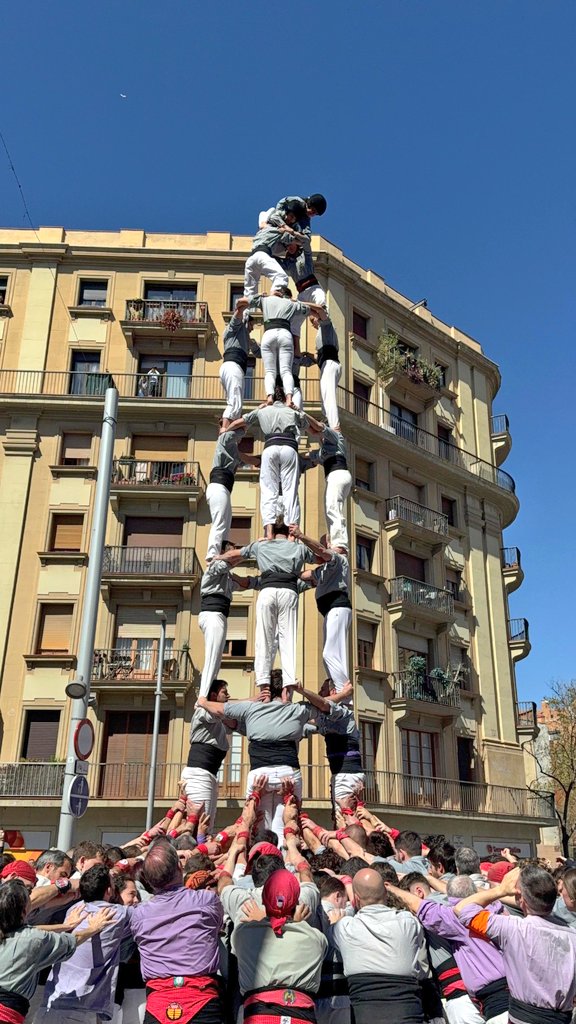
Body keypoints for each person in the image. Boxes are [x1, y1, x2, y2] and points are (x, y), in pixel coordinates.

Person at [198, 669, 336, 843]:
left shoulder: (250, 708)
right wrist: (303, 690)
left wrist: (202, 701)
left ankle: (258, 861)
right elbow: (326, 705)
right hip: (289, 774)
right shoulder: (298, 709)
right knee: (286, 829)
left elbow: (219, 710)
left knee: (258, 828)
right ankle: (286, 863)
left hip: (259, 775)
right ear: (287, 690)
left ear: (267, 690)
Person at [455, 865, 576, 1024]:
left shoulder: (512, 929)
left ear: (522, 900)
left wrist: (500, 891)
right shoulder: (572, 935)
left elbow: (462, 908)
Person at [218, 524, 329, 693]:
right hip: (289, 591)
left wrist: (215, 559)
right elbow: (322, 559)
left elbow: (234, 554)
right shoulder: (298, 548)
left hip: (267, 591)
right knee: (288, 638)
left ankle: (263, 684)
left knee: (263, 637)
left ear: (272, 532)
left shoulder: (260, 545)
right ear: (287, 533)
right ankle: (289, 681)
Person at [387, 874, 510, 1024]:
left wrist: (388, 887)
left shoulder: (463, 920)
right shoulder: (501, 911)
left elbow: (422, 908)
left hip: (490, 1004)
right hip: (517, 1001)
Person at [129, 840, 223, 1024]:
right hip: (202, 1003)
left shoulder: (138, 915)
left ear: (147, 880)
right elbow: (218, 926)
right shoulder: (207, 901)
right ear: (180, 867)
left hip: (159, 1006)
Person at [0, 878, 114, 1024]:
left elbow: (31, 931)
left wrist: (65, 925)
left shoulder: (23, 935)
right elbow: (73, 940)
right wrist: (94, 928)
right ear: (24, 911)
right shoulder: (34, 940)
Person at [35, 865, 133, 1024]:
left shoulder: (74, 910)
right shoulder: (116, 913)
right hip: (78, 1010)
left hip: (49, 1006)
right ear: (108, 891)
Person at [331, 868, 429, 1024]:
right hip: (409, 1016)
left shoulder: (344, 928)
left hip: (366, 1017)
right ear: (385, 892)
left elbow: (335, 931)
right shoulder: (408, 922)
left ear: (356, 898)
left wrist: (335, 922)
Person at [232, 868, 327, 1024]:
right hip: (302, 1018)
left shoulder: (242, 933)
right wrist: (297, 924)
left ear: (263, 899)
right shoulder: (316, 938)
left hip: (258, 1018)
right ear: (297, 902)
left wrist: (263, 919)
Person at [227, 398, 324, 535]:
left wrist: (226, 433)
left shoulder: (263, 410)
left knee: (267, 492)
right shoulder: (298, 458)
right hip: (290, 451)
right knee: (291, 493)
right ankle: (293, 535)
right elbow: (314, 439)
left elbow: (239, 424)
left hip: (270, 446)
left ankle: (269, 533)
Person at [238, 292, 326, 406]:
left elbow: (243, 301)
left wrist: (242, 306)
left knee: (269, 372)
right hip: (285, 333)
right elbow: (312, 311)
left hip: (269, 333)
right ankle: (289, 399)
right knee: (286, 371)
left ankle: (269, 397)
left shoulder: (266, 300)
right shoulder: (290, 302)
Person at [297, 527, 351, 695]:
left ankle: (343, 691)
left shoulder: (338, 560)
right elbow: (304, 575)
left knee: (329, 653)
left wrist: (301, 536)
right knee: (334, 655)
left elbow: (321, 551)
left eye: (323, 545)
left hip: (337, 608)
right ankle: (337, 688)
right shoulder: (324, 569)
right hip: (331, 611)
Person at [198, 544, 253, 697]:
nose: (234, 553)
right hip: (212, 615)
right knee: (212, 657)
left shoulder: (227, 578)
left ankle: (209, 694)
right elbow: (227, 563)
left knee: (216, 659)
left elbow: (246, 584)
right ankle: (203, 698)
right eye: (231, 551)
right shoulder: (213, 568)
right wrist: (251, 550)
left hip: (219, 616)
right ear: (222, 553)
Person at [180, 678, 235, 829]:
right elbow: (221, 711)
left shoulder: (219, 724)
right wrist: (203, 702)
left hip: (209, 775)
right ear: (213, 694)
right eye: (224, 692)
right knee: (197, 823)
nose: (228, 695)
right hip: (198, 775)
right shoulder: (202, 711)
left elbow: (234, 719)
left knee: (207, 826)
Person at [205, 428, 258, 560]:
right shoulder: (223, 441)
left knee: (225, 525)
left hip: (224, 490)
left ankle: (221, 551)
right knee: (220, 522)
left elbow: (252, 460)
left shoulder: (234, 453)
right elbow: (229, 434)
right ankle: (212, 554)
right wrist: (245, 424)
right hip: (218, 487)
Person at [243, 206, 303, 299]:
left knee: (249, 292)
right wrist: (292, 231)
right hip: (262, 255)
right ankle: (273, 301)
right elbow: (299, 240)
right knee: (281, 277)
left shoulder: (263, 230)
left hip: (251, 259)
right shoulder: (279, 231)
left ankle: (244, 313)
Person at [313, 427, 352, 550]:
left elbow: (319, 427)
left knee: (333, 507)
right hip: (334, 477)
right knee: (330, 508)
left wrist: (300, 414)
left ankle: (340, 543)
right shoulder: (322, 452)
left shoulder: (336, 438)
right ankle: (335, 541)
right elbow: (308, 456)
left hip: (338, 474)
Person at [219, 305, 258, 429]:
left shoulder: (246, 338)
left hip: (231, 368)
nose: (252, 329)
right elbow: (239, 313)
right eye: (251, 325)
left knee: (235, 402)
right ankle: (224, 430)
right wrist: (247, 304)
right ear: (245, 322)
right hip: (233, 366)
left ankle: (228, 429)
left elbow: (259, 352)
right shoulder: (233, 329)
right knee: (235, 402)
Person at [315, 316, 341, 430]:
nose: (312, 323)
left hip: (329, 364)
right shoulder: (323, 331)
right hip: (328, 364)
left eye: (312, 320)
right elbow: (318, 356)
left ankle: (335, 426)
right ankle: (329, 422)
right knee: (325, 396)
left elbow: (323, 312)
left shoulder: (326, 327)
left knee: (329, 396)